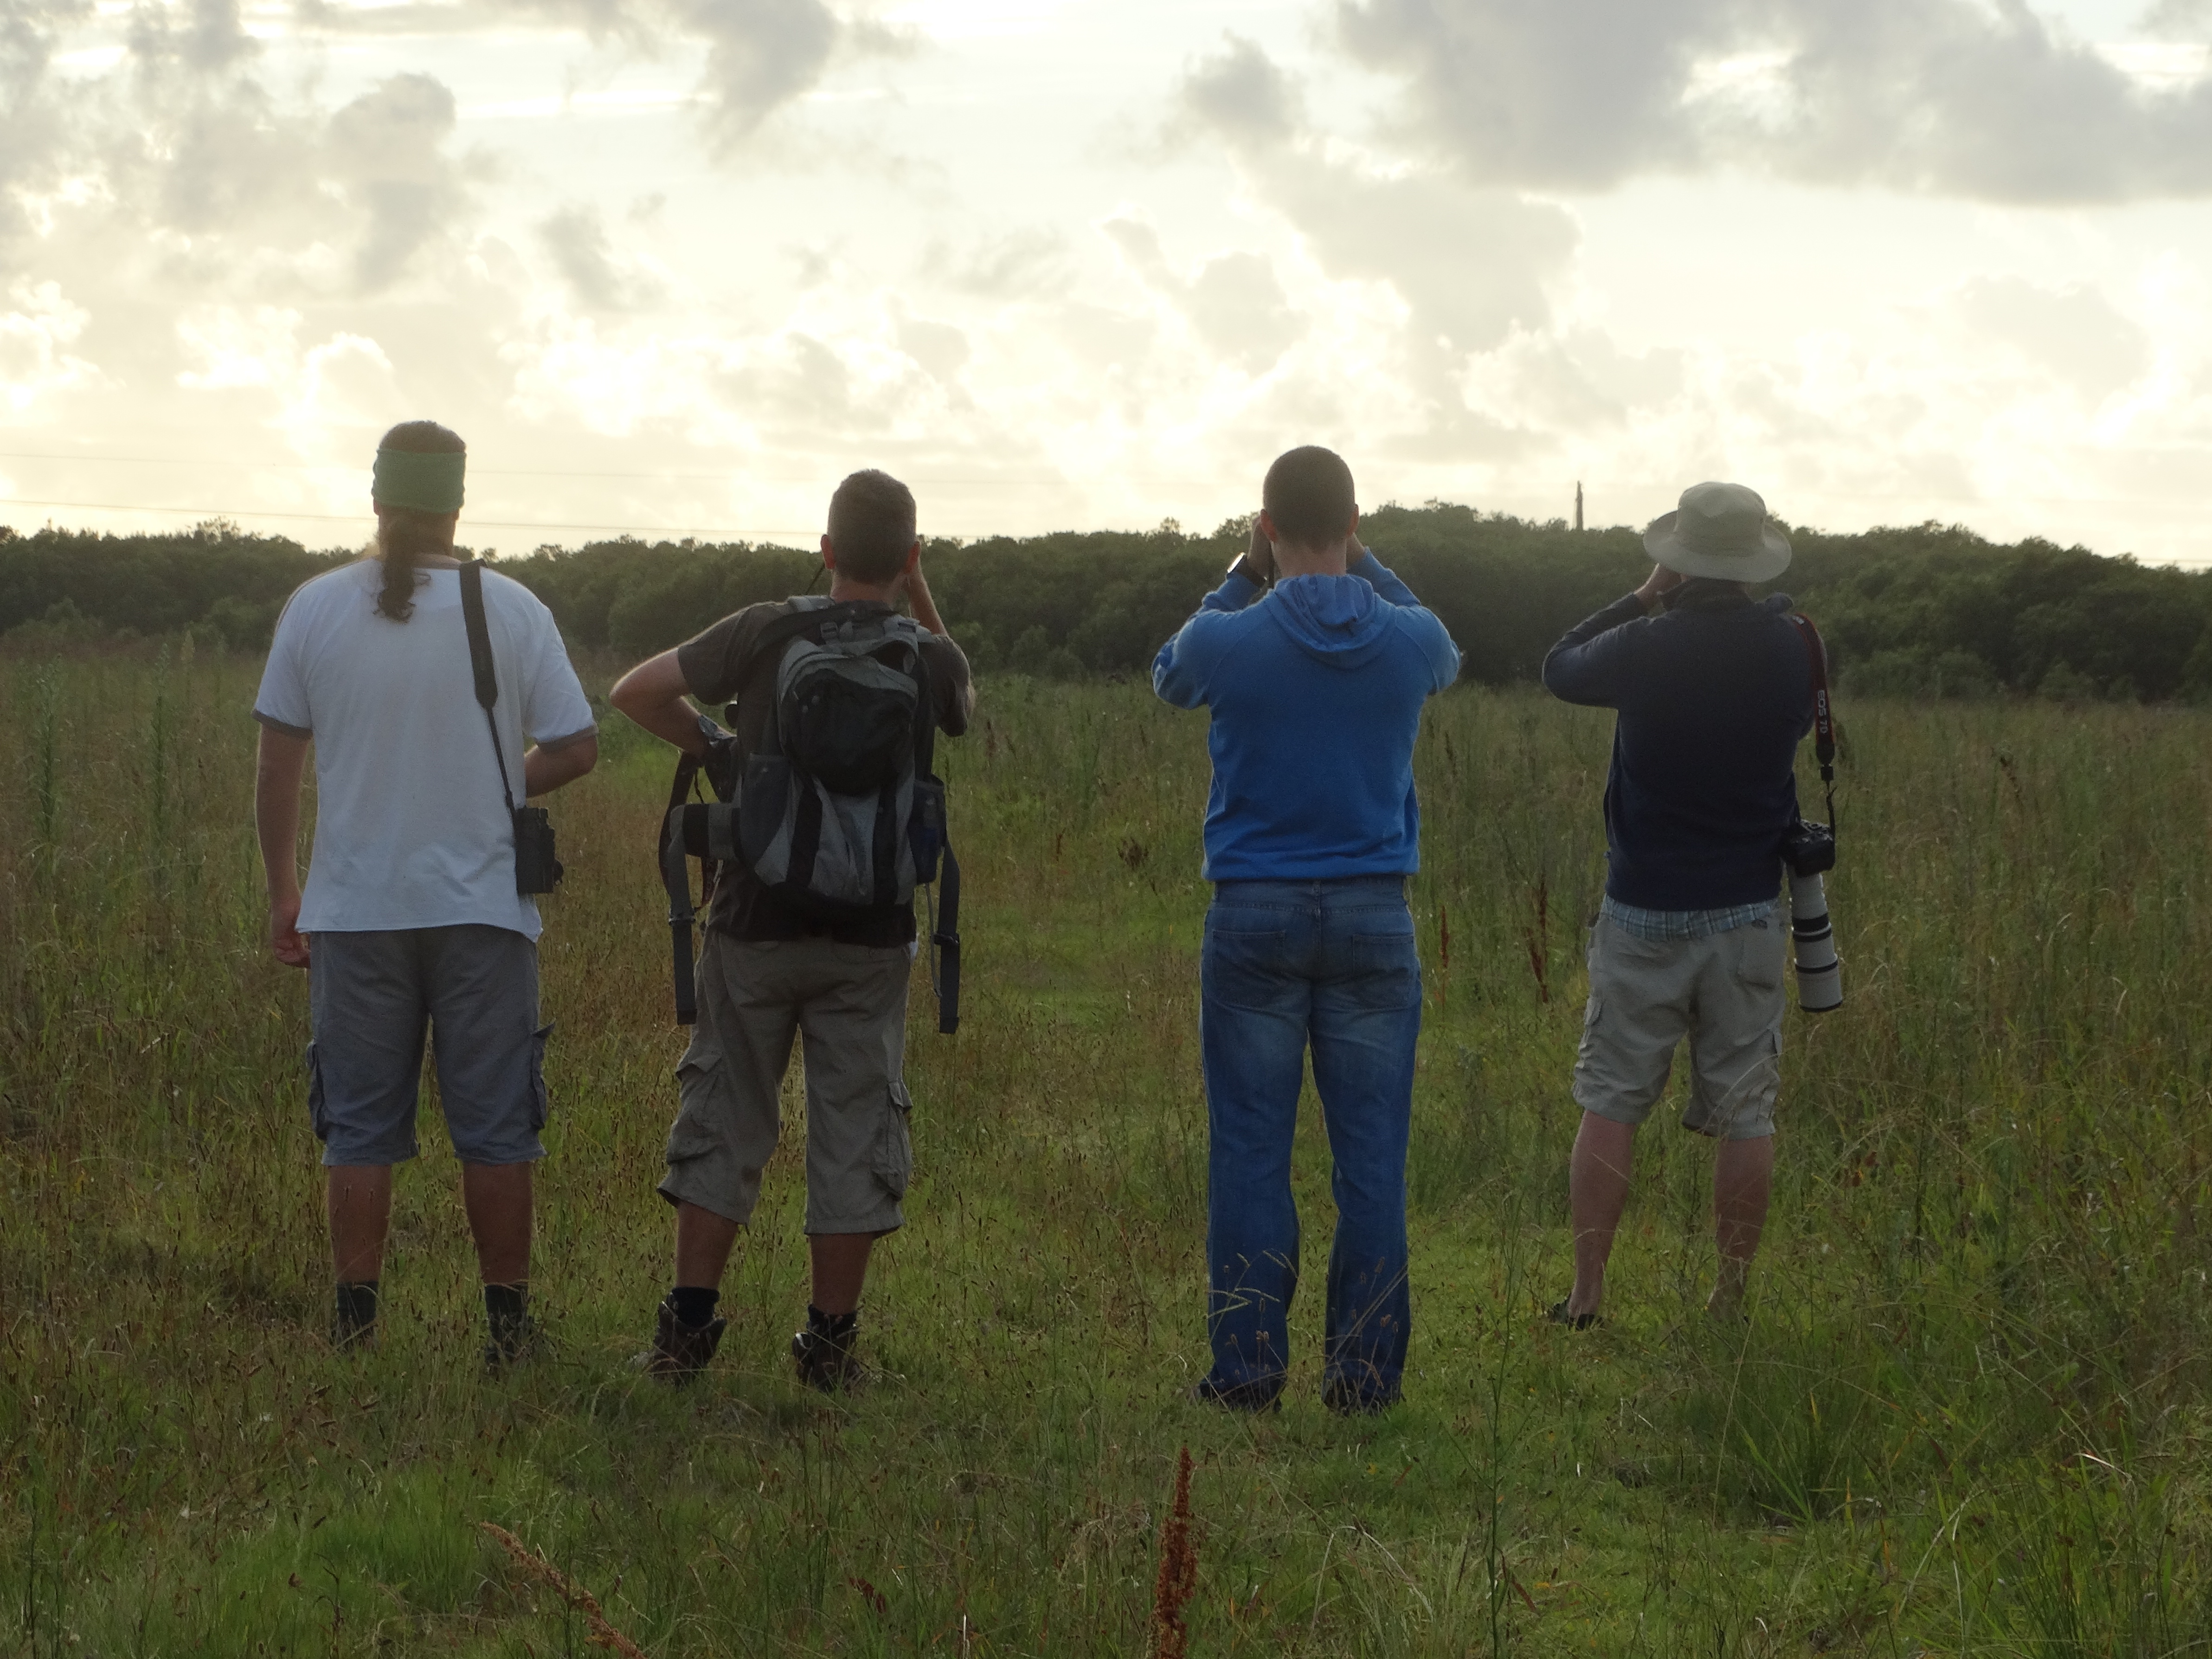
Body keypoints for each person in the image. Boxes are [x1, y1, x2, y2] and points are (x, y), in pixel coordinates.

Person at [611, 468, 972, 1391]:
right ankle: (829, 1346)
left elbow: (636, 691)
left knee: (726, 1113)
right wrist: (920, 593)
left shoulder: (765, 630)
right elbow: (965, 706)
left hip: (753, 922)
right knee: (854, 1130)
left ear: (825, 549)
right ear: (910, 558)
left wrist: (721, 750)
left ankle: (686, 1333)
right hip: (871, 936)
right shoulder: (928, 658)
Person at [252, 420, 599, 1367]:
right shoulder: (513, 608)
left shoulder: (315, 608)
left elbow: (277, 767)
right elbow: (577, 746)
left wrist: (285, 891)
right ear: (458, 504)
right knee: (497, 1129)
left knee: (359, 1130)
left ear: (377, 499)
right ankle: (508, 1337)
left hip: (354, 913)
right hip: (485, 914)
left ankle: (355, 1332)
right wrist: (493, 786)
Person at [1153, 445, 1460, 1415]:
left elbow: (1169, 674)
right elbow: (1443, 650)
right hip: (1373, 915)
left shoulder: (1230, 637)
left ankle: (1246, 1371)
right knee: (1371, 1164)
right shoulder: (1409, 640)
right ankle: (1362, 1379)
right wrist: (1365, 564)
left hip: (1254, 913)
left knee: (1250, 1150)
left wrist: (1240, 575)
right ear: (1355, 523)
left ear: (1266, 526)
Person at [1540, 480, 1815, 1326]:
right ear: (1754, 562)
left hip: (1644, 908)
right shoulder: (1794, 646)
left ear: (1680, 558)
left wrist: (1641, 596)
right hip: (1748, 908)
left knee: (1612, 1100)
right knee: (1746, 1113)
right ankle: (1728, 1300)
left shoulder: (1647, 644)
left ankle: (1588, 1297)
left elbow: (1560, 667)